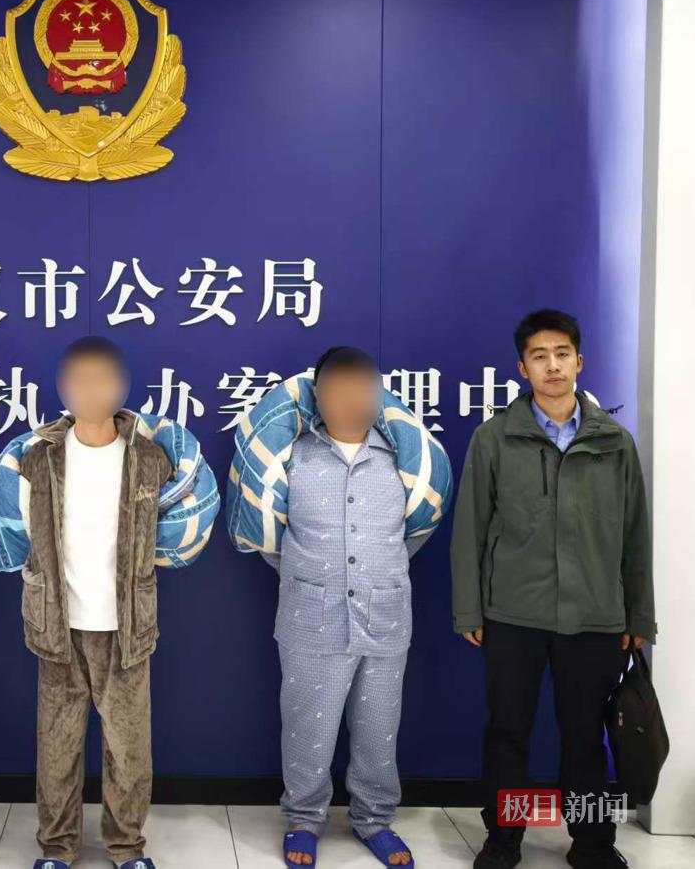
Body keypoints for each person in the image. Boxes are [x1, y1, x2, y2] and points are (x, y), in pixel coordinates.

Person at [450, 309, 655, 869]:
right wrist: (469, 609)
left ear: (579, 362)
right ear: (523, 368)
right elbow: (470, 531)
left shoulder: (614, 443)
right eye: (539, 356)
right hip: (513, 614)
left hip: (594, 615)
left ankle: (591, 843)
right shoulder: (495, 439)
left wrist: (639, 616)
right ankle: (504, 838)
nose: (553, 365)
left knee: (586, 735)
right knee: (508, 732)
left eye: (562, 354)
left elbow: (635, 535)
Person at [14, 336, 171, 869]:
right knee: (57, 747)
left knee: (129, 749)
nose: (91, 389)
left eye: (102, 378)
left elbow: (176, 531)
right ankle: (57, 848)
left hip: (127, 626)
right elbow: (19, 533)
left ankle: (127, 848)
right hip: (58, 624)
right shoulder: (37, 459)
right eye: (80, 379)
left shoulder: (150, 458)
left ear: (121, 386)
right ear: (63, 388)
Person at [275, 347, 427, 869]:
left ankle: (374, 820)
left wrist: (376, 573)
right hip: (310, 617)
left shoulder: (402, 459)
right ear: (318, 394)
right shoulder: (293, 456)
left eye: (363, 387)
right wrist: (311, 573)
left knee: (380, 727)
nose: (351, 399)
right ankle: (304, 819)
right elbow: (268, 535)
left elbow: (417, 529)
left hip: (385, 616)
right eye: (339, 388)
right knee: (307, 728)